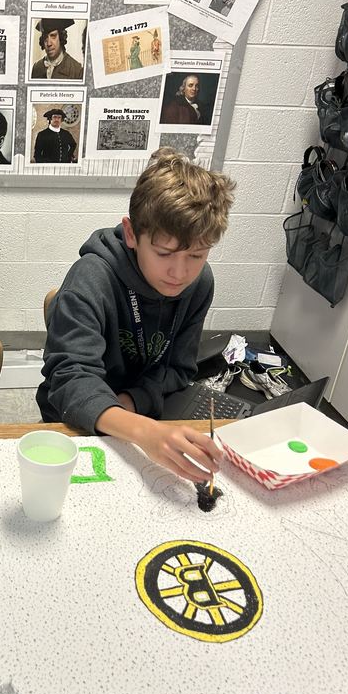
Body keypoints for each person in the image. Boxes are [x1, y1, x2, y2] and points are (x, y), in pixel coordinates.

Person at [36, 148, 235, 483]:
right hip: (78, 421)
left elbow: (179, 369)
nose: (179, 273)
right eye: (164, 253)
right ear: (131, 234)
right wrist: (143, 431)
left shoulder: (200, 283)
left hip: (144, 415)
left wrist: (131, 403)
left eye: (196, 255)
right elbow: (69, 380)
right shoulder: (91, 278)